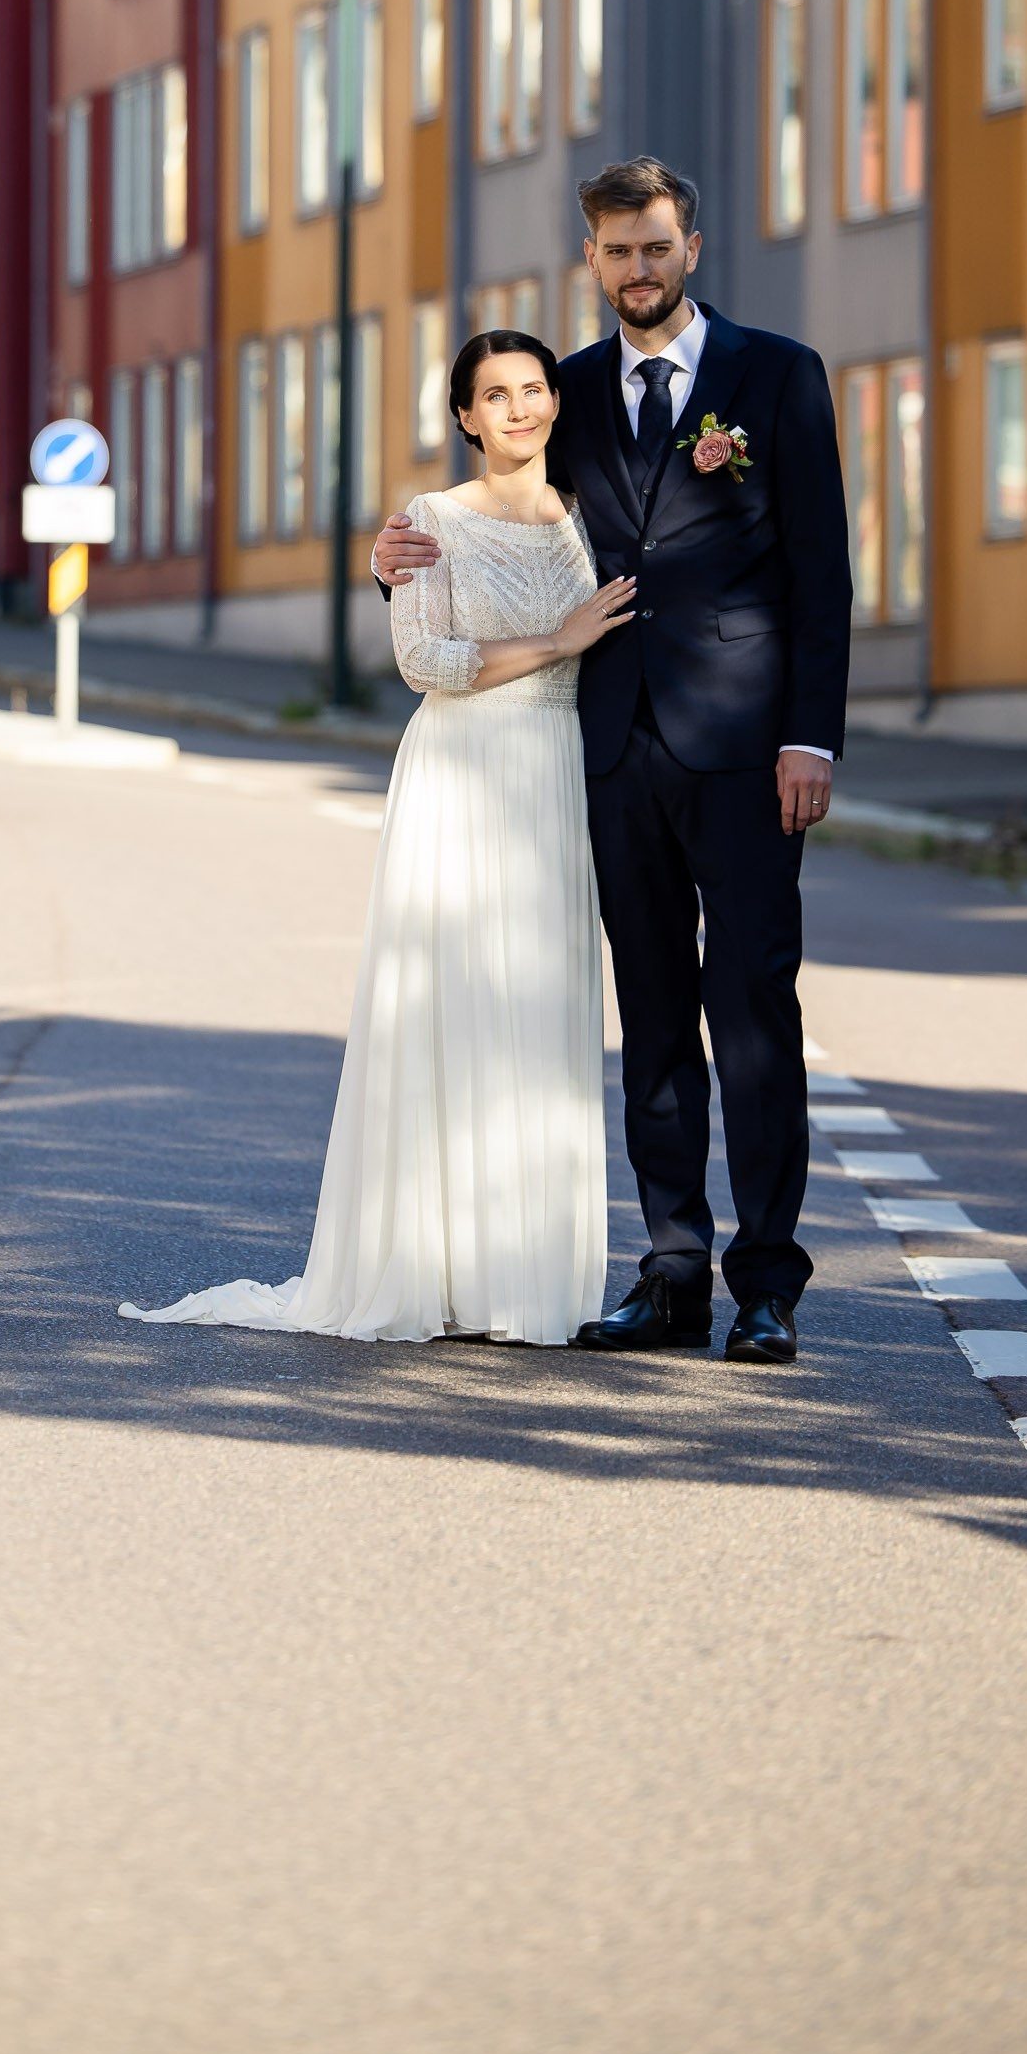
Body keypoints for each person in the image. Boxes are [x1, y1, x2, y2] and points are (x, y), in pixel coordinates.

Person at [371, 159, 851, 1365]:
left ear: (693, 247)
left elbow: (821, 575)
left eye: (655, 247)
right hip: (609, 744)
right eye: (615, 252)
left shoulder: (778, 376)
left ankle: (767, 1285)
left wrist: (810, 735)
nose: (636, 269)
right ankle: (672, 1268)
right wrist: (395, 558)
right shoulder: (567, 390)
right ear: (590, 262)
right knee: (649, 1016)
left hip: (747, 754)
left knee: (752, 1013)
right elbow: (500, 501)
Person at [121, 332, 632, 1346]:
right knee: (450, 1012)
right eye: (496, 395)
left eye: (534, 389)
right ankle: (430, 1269)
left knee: (537, 1021)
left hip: (558, 780)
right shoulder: (430, 521)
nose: (520, 408)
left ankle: (523, 1282)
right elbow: (426, 662)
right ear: (464, 417)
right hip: (460, 772)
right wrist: (558, 642)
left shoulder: (597, 518)